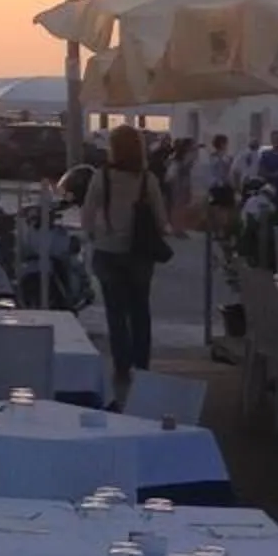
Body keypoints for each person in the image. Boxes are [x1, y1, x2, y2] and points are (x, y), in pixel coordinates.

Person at [82, 124, 172, 403]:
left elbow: (87, 215)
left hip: (108, 251)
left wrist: (96, 233)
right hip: (140, 254)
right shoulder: (147, 180)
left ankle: (122, 366)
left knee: (115, 312)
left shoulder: (102, 177)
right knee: (140, 310)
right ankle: (142, 364)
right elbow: (160, 219)